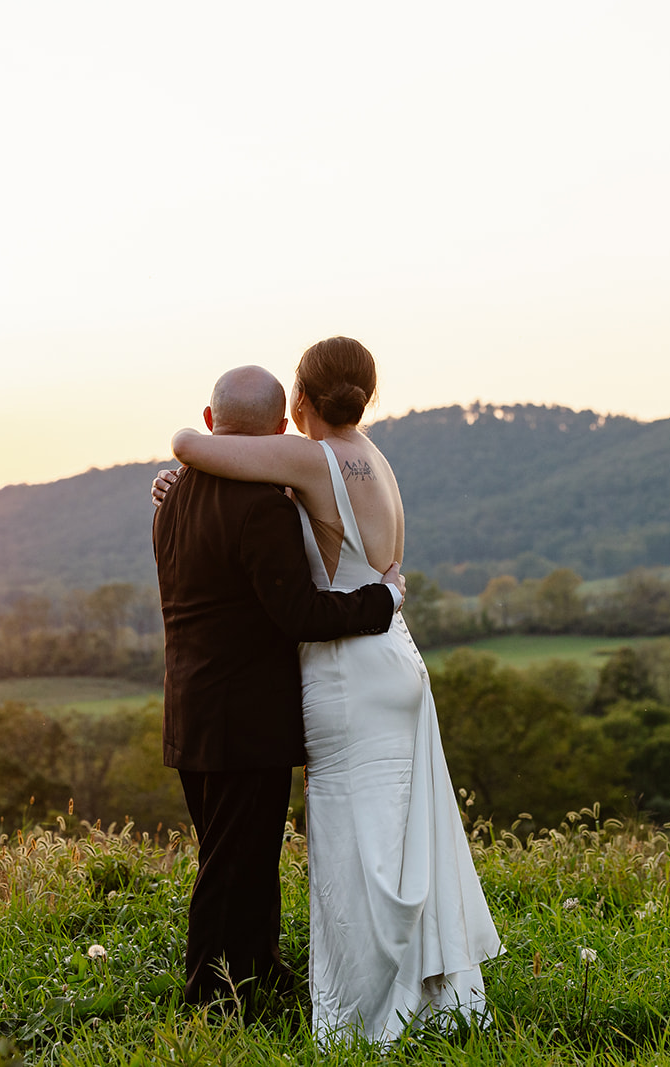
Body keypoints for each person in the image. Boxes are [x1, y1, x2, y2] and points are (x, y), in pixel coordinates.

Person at [155, 338, 501, 1041]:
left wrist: (181, 461)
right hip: (393, 662)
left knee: (355, 848)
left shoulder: (305, 464)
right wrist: (388, 600)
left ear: (302, 405)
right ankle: (424, 991)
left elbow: (193, 442)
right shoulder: (376, 459)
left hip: (347, 668)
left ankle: (366, 1012)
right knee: (398, 840)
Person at [151, 364, 407, 1010]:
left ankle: (260, 979)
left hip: (189, 714)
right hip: (247, 721)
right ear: (275, 432)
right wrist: (382, 601)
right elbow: (299, 616)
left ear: (212, 423)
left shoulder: (171, 499)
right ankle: (208, 1003)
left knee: (236, 859)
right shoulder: (263, 508)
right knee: (233, 869)